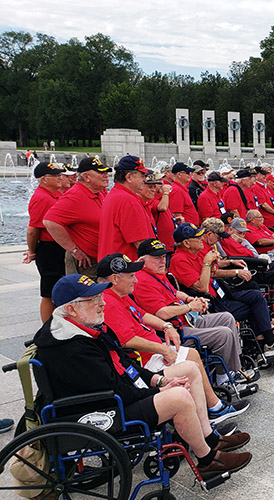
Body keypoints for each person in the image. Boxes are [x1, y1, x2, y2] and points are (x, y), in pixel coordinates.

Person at [34, 274, 252, 476]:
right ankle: (207, 460)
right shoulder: (74, 348)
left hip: (118, 392)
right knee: (179, 397)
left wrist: (159, 379)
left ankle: (209, 437)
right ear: (71, 309)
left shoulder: (87, 327)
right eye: (94, 299)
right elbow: (114, 389)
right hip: (105, 410)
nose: (102, 303)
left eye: (100, 296)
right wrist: (158, 391)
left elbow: (125, 363)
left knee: (190, 370)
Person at [96, 252, 250, 421]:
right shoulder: (109, 302)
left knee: (207, 341)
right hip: (145, 360)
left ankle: (215, 404)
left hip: (164, 339)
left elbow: (142, 315)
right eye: (131, 276)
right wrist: (163, 348)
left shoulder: (120, 295)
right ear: (115, 279)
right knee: (193, 361)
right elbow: (127, 340)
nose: (135, 280)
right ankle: (214, 408)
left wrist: (166, 326)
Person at [134, 239, 252, 389]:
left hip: (185, 320)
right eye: (157, 258)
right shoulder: (142, 281)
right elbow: (161, 313)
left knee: (227, 317)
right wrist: (190, 307)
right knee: (224, 333)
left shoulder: (156, 273)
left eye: (163, 257)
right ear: (142, 260)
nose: (162, 261)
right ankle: (224, 378)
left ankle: (234, 367)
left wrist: (189, 298)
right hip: (174, 330)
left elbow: (174, 292)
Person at [169, 222, 274, 355]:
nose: (201, 239)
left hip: (221, 294)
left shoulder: (194, 254)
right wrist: (208, 262)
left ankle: (266, 343)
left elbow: (211, 273)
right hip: (212, 303)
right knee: (254, 304)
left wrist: (231, 269)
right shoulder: (179, 260)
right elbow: (202, 288)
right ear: (186, 243)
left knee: (255, 295)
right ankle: (268, 343)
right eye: (197, 238)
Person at [44, 157, 109, 278]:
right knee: (87, 296)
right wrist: (73, 250)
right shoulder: (75, 196)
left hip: (99, 258)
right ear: (86, 177)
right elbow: (50, 222)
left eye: (106, 172)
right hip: (86, 263)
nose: (106, 175)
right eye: (101, 173)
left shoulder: (99, 192)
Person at [24, 162, 67, 321]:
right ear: (43, 179)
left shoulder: (54, 194)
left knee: (58, 287)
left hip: (58, 247)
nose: (59, 178)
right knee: (49, 291)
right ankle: (46, 328)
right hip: (49, 249)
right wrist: (32, 251)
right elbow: (33, 230)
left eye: (59, 175)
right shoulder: (42, 198)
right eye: (55, 175)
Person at [98, 155, 155, 261]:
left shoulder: (114, 194)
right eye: (142, 175)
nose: (144, 179)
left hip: (114, 265)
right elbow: (141, 244)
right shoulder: (128, 201)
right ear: (129, 177)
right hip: (126, 267)